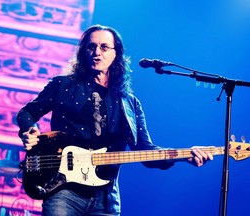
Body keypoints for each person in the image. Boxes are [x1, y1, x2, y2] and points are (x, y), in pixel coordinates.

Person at [16, 24, 213, 216]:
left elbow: (145, 150)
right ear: (83, 52)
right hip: (63, 190)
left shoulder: (130, 103)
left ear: (116, 54)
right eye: (91, 47)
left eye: (104, 47)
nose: (97, 52)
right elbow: (27, 112)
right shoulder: (63, 85)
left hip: (107, 198)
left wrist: (183, 156)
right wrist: (29, 130)